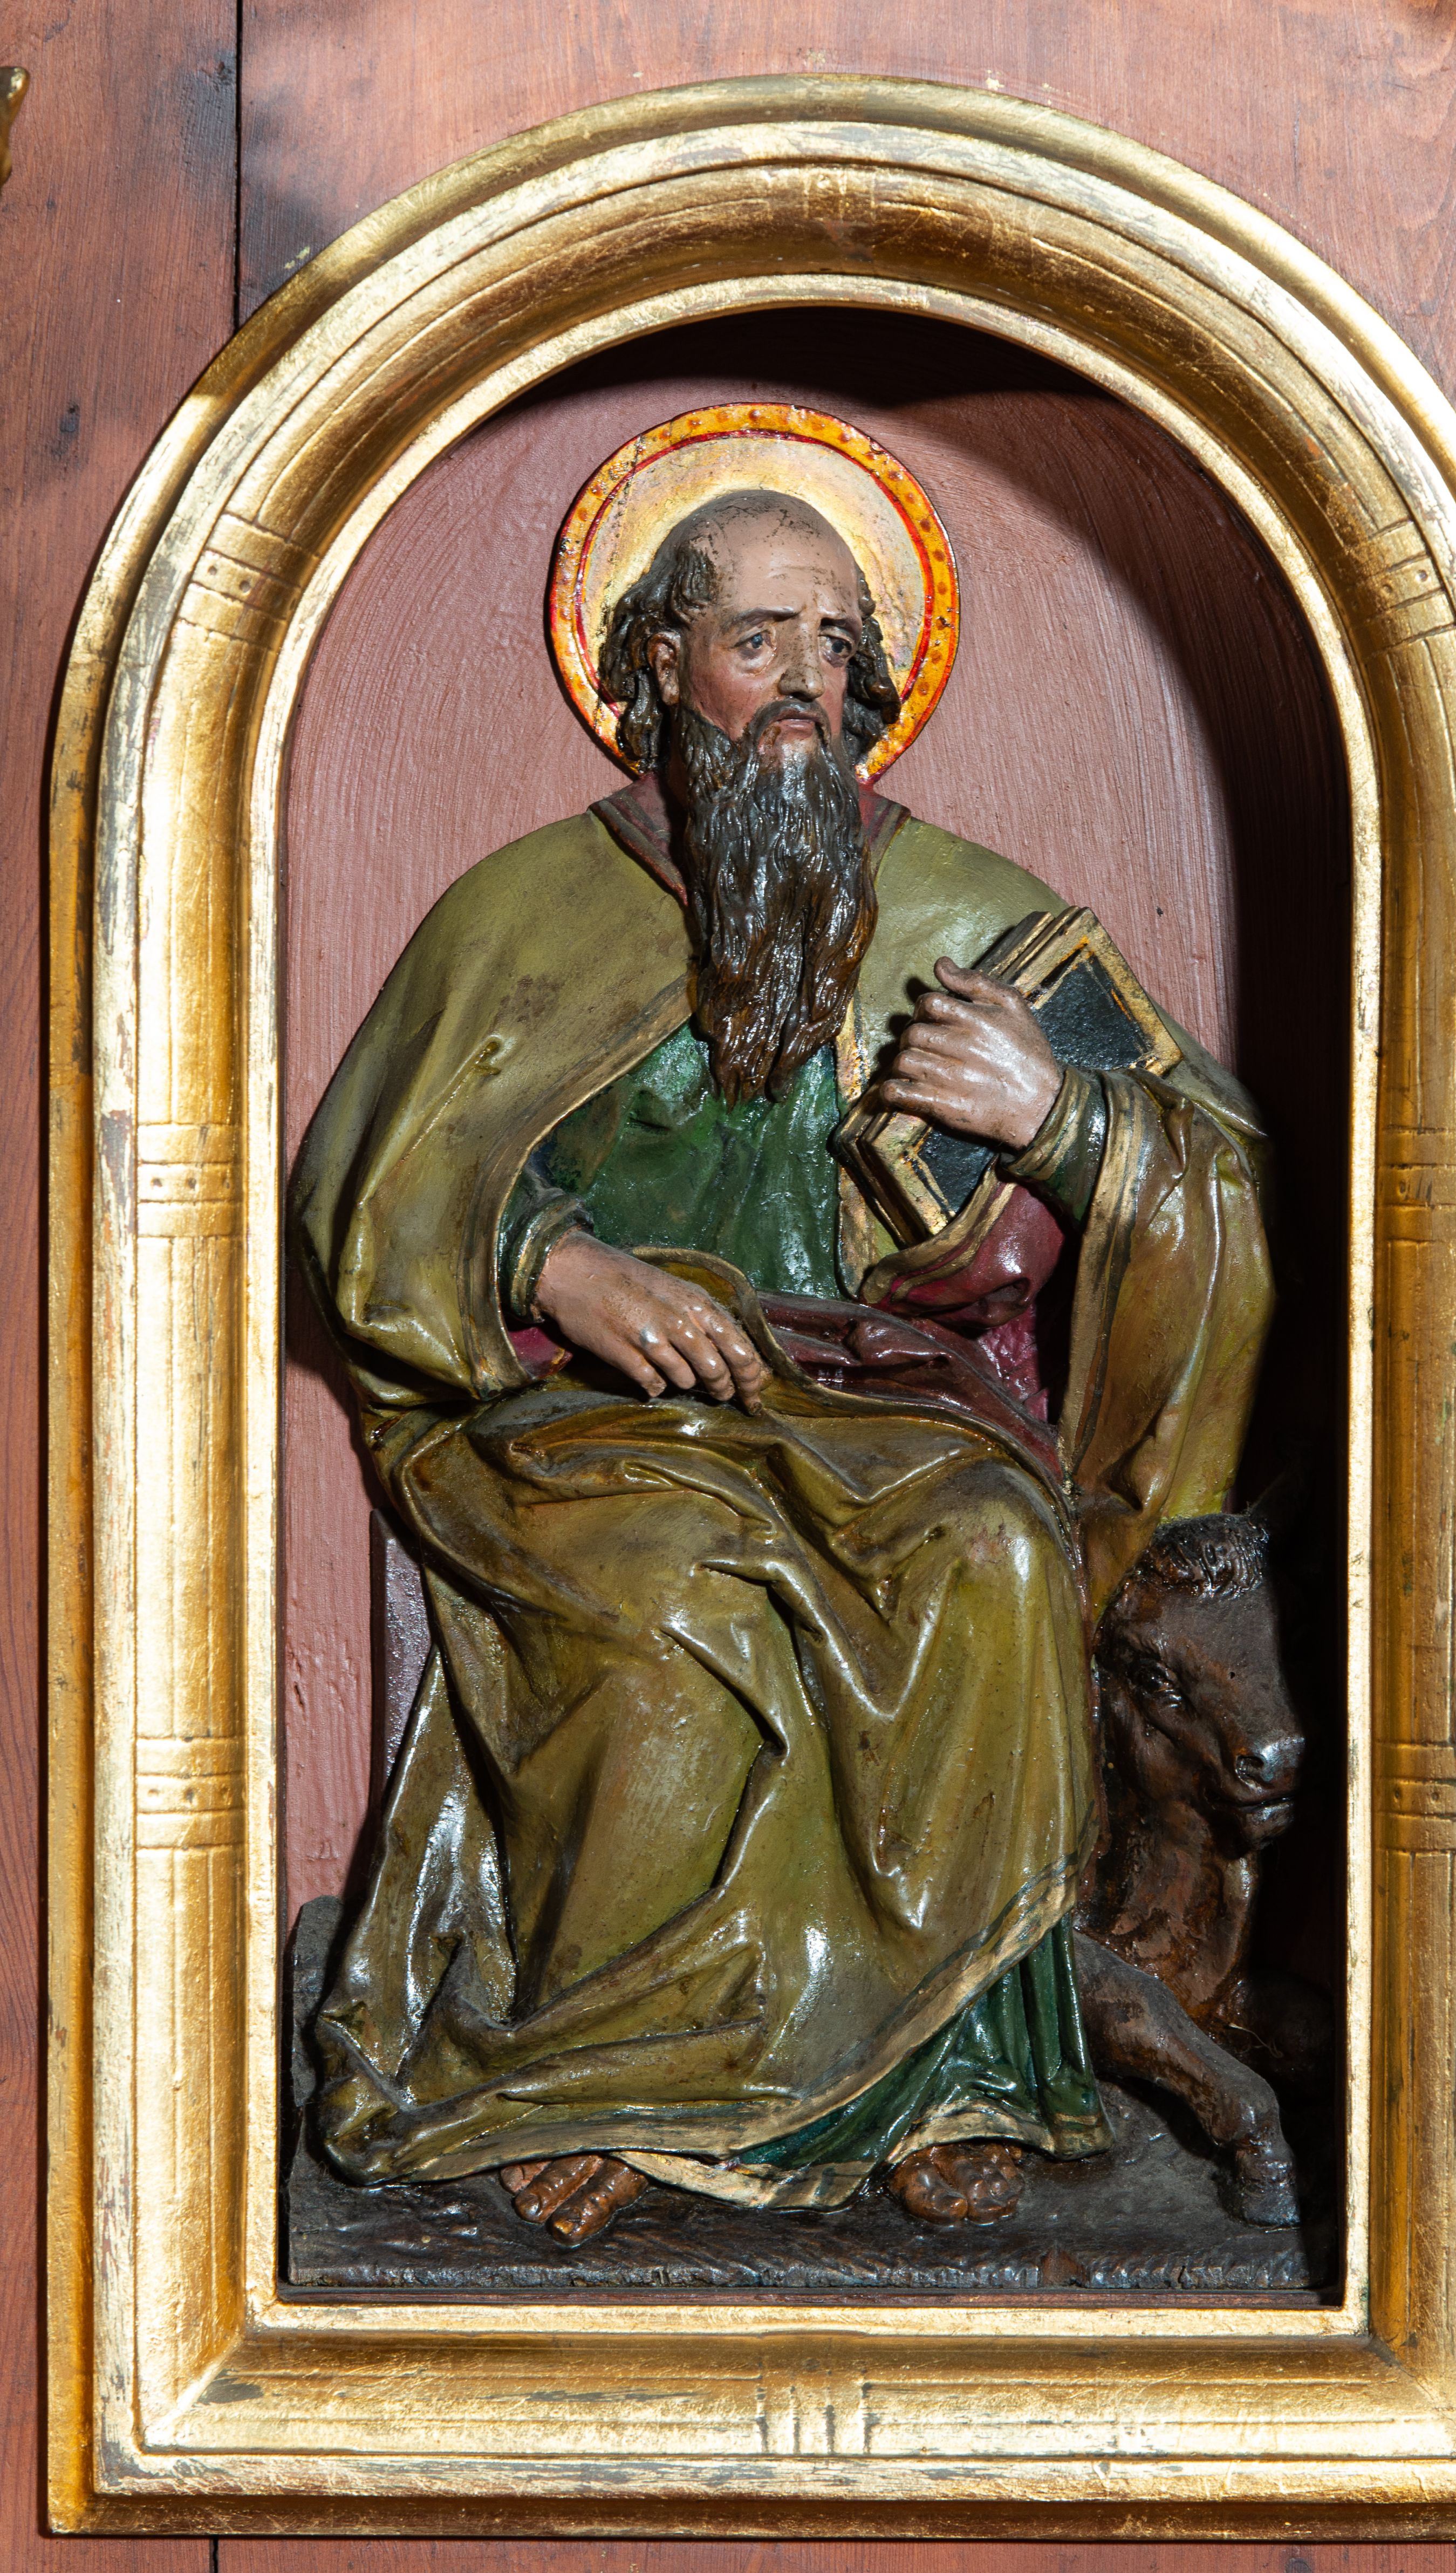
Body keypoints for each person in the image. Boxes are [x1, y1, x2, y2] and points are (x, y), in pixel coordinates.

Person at [293, 480, 1274, 2243]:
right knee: (686, 1597)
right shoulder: (528, 909)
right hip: (581, 1413)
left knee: (997, 1548)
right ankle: (618, 2080)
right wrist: (550, 1258)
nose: (806, 683)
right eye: (759, 638)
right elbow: (368, 1187)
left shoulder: (956, 905)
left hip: (869, 1399)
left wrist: (1058, 1118)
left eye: (835, 644)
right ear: (663, 663)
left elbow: (1226, 1169)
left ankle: (945, 2072)